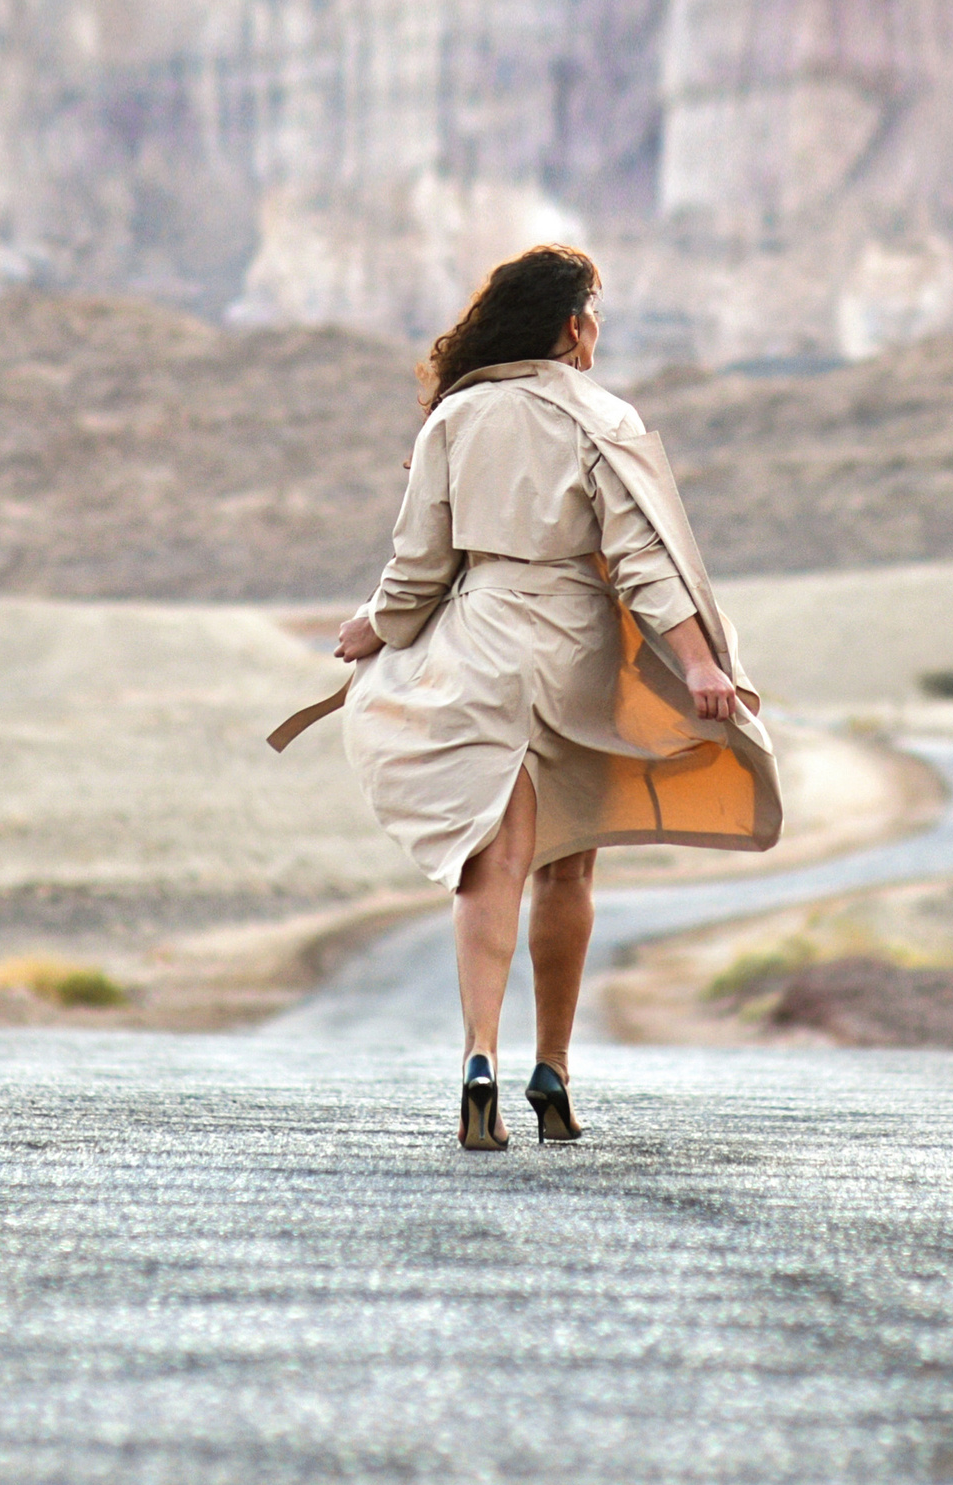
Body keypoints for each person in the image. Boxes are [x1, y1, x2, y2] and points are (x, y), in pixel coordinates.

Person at [271, 244, 781, 1149]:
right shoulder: (604, 417)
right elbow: (644, 564)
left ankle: (478, 1058)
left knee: (489, 861)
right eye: (596, 319)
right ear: (574, 325)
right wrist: (700, 666)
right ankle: (555, 1068)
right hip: (573, 653)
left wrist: (374, 628)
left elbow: (420, 565)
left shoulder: (455, 417)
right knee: (569, 863)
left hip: (481, 645)